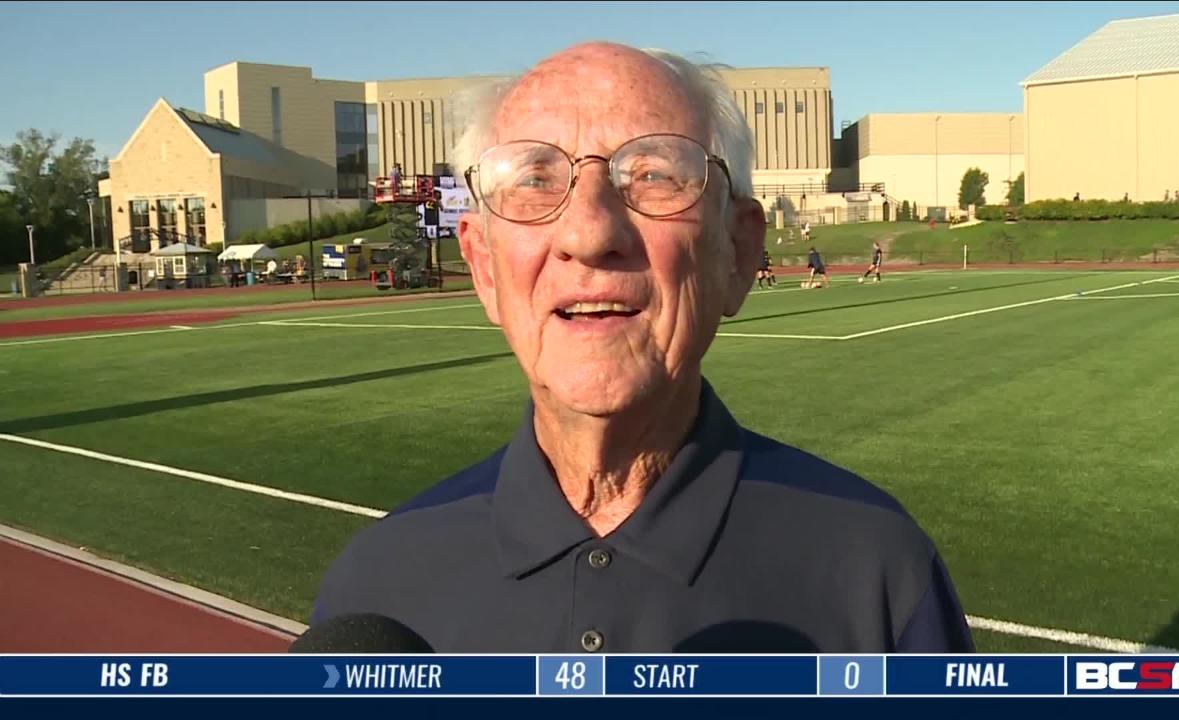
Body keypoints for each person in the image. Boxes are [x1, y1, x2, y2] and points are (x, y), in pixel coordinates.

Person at [311, 42, 972, 654]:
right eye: (536, 180)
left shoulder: (879, 572)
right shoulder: (375, 587)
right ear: (484, 267)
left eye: (653, 173)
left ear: (738, 253)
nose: (591, 231)